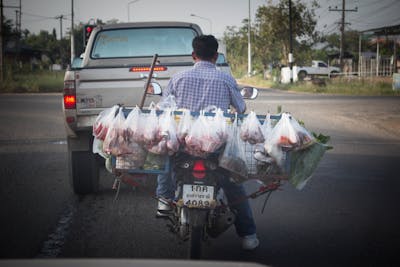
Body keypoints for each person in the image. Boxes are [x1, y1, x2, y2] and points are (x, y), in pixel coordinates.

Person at [156, 35, 259, 251]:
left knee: (165, 156)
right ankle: (248, 235)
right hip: (216, 146)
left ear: (194, 55)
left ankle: (164, 199)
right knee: (233, 185)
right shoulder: (226, 79)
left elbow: (165, 107)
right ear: (216, 56)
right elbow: (241, 109)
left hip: (183, 144)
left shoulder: (178, 78)